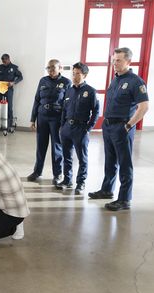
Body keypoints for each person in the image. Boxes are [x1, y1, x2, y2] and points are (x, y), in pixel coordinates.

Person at [88, 47, 149, 211]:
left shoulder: (136, 82)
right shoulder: (115, 80)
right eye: (114, 60)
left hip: (122, 127)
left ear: (128, 61)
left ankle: (124, 199)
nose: (115, 63)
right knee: (110, 161)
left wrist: (129, 125)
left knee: (124, 163)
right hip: (108, 126)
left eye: (119, 60)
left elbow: (144, 107)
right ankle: (107, 190)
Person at [27, 59, 72, 185]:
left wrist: (65, 123)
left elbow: (67, 104)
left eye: (53, 68)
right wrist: (32, 119)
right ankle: (37, 171)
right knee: (40, 146)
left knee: (56, 147)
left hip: (57, 119)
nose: (51, 70)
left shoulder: (66, 82)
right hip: (42, 117)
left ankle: (57, 174)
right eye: (48, 68)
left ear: (60, 68)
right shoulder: (43, 80)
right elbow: (37, 100)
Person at [57, 62, 99, 193]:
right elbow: (64, 109)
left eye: (78, 74)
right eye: (73, 73)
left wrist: (88, 128)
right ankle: (67, 180)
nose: (74, 76)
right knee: (67, 156)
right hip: (67, 129)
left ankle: (81, 183)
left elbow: (96, 112)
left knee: (82, 158)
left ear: (84, 75)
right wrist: (62, 126)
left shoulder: (90, 91)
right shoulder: (69, 90)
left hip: (80, 129)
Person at [0, 54, 23, 132]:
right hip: (0, 89)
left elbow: (21, 77)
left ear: (8, 59)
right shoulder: (0, 67)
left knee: (9, 107)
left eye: (5, 61)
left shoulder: (14, 67)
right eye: (3, 61)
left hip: (9, 89)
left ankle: (9, 125)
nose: (4, 63)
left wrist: (13, 83)